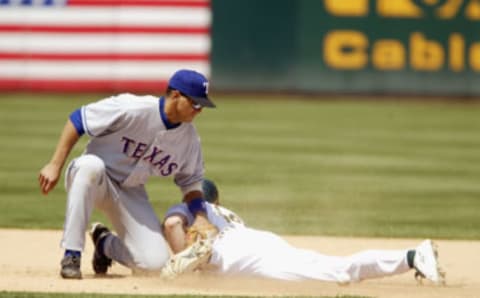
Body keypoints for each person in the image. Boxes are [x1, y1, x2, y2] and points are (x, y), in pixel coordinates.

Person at [38, 69, 216, 279]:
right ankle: (72, 254)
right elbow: (78, 119)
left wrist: (200, 216)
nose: (199, 110)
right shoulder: (132, 107)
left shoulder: (189, 139)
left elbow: (191, 183)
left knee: (154, 265)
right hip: (95, 178)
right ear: (176, 95)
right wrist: (55, 164)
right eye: (196, 103)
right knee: (90, 166)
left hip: (131, 193)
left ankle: (105, 244)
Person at [162, 179, 446, 285]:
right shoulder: (225, 214)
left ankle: (412, 257)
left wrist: (181, 257)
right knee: (329, 268)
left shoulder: (191, 207)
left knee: (340, 271)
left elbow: (173, 224)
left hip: (243, 255)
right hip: (259, 242)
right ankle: (410, 257)